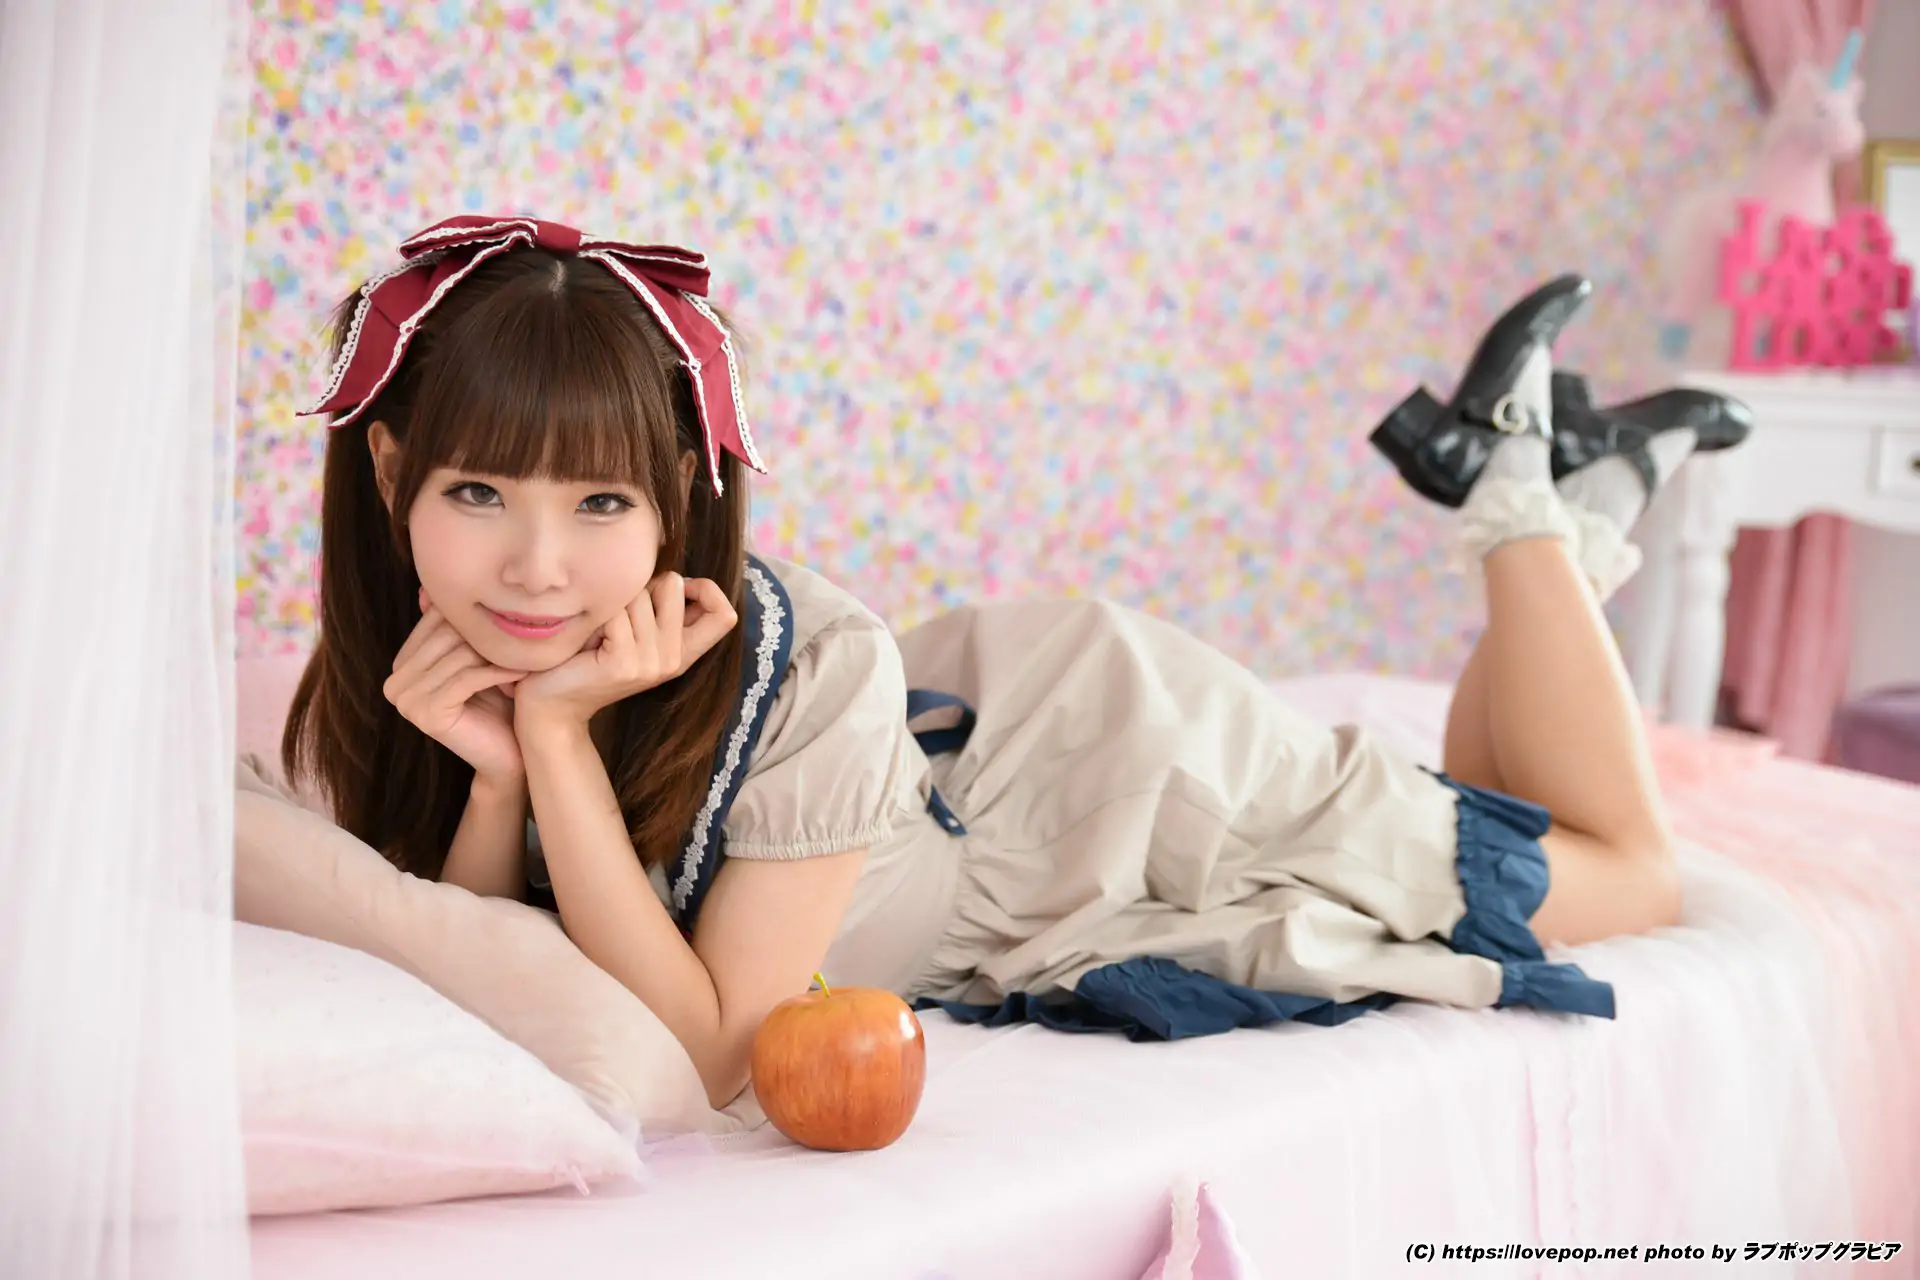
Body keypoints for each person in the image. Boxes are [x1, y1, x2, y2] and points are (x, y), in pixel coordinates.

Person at [283, 216, 1749, 1109]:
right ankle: (1580, 504)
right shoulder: (424, 679)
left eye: (601, 503)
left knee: (1631, 880)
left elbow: (717, 1056)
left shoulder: (801, 661)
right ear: (394, 471)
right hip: (999, 799)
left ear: (680, 491)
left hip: (1114, 777)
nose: (537, 568)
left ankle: (1509, 490)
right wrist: (499, 783)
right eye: (479, 494)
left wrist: (555, 746)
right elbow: (492, 957)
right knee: (1490, 812)